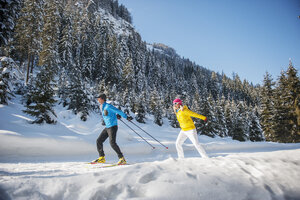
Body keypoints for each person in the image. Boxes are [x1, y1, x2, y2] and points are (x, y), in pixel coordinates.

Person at [92, 94, 133, 164]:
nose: (97, 100)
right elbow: (108, 114)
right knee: (99, 141)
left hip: (113, 127)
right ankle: (101, 157)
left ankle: (122, 158)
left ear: (102, 99)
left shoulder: (108, 106)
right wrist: (115, 115)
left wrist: (126, 117)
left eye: (98, 98)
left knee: (112, 143)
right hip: (107, 127)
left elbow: (118, 111)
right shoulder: (101, 106)